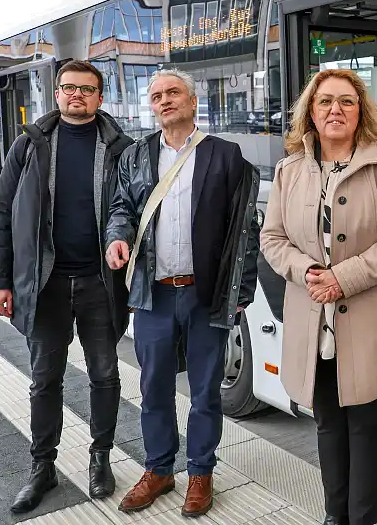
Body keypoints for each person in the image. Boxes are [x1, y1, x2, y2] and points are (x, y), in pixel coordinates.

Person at [260, 68, 377, 525]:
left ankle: (364, 519)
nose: (336, 110)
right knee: (328, 426)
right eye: (326, 101)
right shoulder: (289, 169)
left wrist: (342, 278)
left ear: (361, 111)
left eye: (347, 102)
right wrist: (308, 271)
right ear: (310, 111)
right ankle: (335, 517)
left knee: (368, 432)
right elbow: (272, 238)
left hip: (372, 322)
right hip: (314, 325)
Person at [105, 68, 261, 518]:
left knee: (205, 390)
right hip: (153, 293)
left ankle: (200, 472)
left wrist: (243, 290)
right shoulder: (135, 157)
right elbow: (121, 208)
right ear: (151, 107)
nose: (164, 101)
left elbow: (243, 230)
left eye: (173, 93)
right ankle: (158, 469)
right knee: (152, 386)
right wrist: (118, 237)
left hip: (204, 293)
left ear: (193, 102)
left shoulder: (225, 156)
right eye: (156, 96)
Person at [0, 60, 134, 513]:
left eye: (87, 89)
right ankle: (42, 466)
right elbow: (3, 212)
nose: (76, 96)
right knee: (44, 380)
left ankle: (101, 456)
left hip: (99, 283)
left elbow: (133, 207)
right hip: (44, 285)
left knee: (105, 375)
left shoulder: (121, 148)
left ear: (100, 97)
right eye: (69, 88)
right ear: (56, 92)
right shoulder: (28, 146)